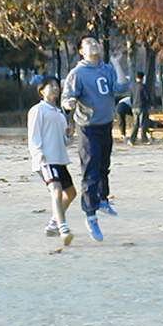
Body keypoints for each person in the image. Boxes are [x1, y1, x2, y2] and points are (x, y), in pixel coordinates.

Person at [62, 36, 129, 242]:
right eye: (88, 43)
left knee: (103, 167)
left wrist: (116, 63)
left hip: (105, 125)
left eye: (95, 42)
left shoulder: (106, 69)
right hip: (88, 127)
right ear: (81, 51)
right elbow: (66, 97)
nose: (93, 45)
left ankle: (102, 200)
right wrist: (69, 104)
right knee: (90, 171)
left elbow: (122, 87)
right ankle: (90, 215)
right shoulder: (77, 73)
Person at [28, 76, 76, 246]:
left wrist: (69, 135)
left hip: (60, 159)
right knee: (56, 190)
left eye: (56, 86)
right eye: (51, 86)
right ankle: (63, 228)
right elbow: (34, 135)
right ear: (42, 91)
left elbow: (65, 141)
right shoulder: (38, 110)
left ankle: (53, 224)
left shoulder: (60, 113)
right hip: (46, 159)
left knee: (71, 193)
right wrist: (38, 154)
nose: (55, 88)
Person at [128, 71, 151, 145]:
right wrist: (150, 104)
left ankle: (132, 140)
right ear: (142, 78)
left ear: (136, 78)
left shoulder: (132, 86)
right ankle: (144, 139)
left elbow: (131, 97)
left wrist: (132, 105)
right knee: (143, 124)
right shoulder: (143, 86)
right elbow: (147, 97)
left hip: (134, 107)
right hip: (142, 107)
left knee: (135, 124)